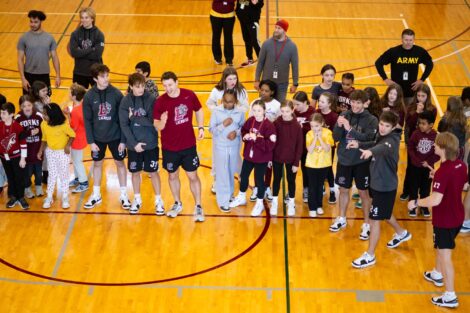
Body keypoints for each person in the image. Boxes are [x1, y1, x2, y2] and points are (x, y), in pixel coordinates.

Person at [408, 132, 466, 308]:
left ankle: (450, 295)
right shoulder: (460, 166)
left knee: (445, 254)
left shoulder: (444, 171)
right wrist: (438, 177)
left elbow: (435, 200)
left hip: (445, 220)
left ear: (443, 148)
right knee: (441, 249)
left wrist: (416, 202)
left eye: (436, 144)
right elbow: (463, 185)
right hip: (457, 216)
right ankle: (437, 274)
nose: (434, 146)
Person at [351, 111, 412, 269]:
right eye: (381, 124)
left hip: (385, 187)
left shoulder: (392, 141)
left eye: (386, 126)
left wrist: (370, 152)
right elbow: (374, 143)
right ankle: (401, 233)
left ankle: (370, 255)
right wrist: (360, 145)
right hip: (377, 184)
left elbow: (381, 148)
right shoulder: (381, 135)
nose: (383, 128)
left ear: (392, 128)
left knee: (374, 219)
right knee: (383, 213)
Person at [153, 71, 205, 222]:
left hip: (188, 145)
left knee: (192, 176)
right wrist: (162, 121)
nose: (167, 88)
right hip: (169, 148)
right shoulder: (160, 101)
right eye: (164, 86)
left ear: (177, 82)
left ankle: (199, 205)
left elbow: (199, 110)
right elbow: (157, 125)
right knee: (172, 175)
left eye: (170, 84)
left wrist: (201, 127)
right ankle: (177, 203)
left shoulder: (189, 95)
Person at [330, 90, 378, 239]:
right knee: (343, 189)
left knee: (364, 193)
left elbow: (370, 140)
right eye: (353, 102)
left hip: (362, 161)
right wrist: (339, 126)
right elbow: (336, 138)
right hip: (344, 159)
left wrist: (349, 129)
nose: (355, 105)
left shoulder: (371, 120)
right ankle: (342, 218)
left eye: (358, 102)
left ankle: (366, 225)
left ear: (365, 103)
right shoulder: (344, 115)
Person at [82, 64, 130, 210]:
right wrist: (90, 141)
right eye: (103, 76)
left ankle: (123, 195)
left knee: (120, 163)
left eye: (107, 75)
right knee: (97, 164)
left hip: (116, 137)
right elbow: (87, 120)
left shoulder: (116, 94)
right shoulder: (89, 96)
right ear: (95, 78)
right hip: (97, 138)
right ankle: (96, 194)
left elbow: (123, 119)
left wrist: (123, 140)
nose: (106, 79)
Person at [120, 73, 164, 215]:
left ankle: (158, 201)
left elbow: (152, 122)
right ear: (131, 86)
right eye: (137, 87)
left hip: (150, 144)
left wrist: (134, 117)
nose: (140, 89)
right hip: (134, 146)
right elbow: (124, 125)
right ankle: (137, 199)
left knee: (153, 172)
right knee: (135, 172)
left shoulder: (151, 99)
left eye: (142, 86)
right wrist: (133, 144)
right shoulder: (125, 101)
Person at [229, 100, 276, 216]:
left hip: (262, 158)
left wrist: (257, 139)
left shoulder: (269, 125)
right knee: (243, 176)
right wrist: (245, 136)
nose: (256, 112)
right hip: (249, 156)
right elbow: (244, 130)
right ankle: (241, 197)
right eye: (254, 110)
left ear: (264, 111)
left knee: (259, 180)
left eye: (259, 110)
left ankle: (260, 203)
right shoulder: (251, 120)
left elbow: (271, 144)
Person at [209, 90, 245, 212]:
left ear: (235, 101)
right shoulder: (216, 111)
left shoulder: (240, 112)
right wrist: (223, 125)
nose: (227, 104)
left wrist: (237, 133)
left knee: (230, 171)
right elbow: (211, 130)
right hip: (220, 147)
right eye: (225, 101)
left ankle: (229, 196)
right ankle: (223, 201)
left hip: (234, 146)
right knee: (222, 173)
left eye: (230, 102)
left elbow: (243, 127)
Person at [375, 28, 433, 104]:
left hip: (411, 92)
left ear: (414, 40)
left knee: (408, 114)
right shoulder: (394, 52)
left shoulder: (419, 51)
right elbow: (378, 63)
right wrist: (385, 79)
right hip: (395, 92)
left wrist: (422, 79)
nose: (408, 42)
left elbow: (430, 64)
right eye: (406, 40)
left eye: (410, 40)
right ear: (401, 39)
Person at [401, 84, 437, 201]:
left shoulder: (432, 109)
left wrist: (423, 112)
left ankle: (423, 194)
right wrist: (417, 112)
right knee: (410, 167)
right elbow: (409, 124)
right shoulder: (411, 107)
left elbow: (430, 125)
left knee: (423, 170)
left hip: (426, 142)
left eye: (423, 96)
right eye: (418, 95)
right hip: (413, 140)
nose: (420, 98)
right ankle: (407, 191)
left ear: (428, 96)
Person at [37, 103, 75, 209]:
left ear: (53, 115)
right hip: (50, 152)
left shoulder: (63, 126)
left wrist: (68, 146)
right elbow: (44, 138)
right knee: (52, 174)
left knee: (64, 175)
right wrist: (40, 151)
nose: (43, 116)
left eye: (45, 114)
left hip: (62, 153)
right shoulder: (44, 124)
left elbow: (72, 135)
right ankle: (49, 196)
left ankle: (65, 196)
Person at [249, 79, 280, 201]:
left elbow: (279, 123)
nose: (263, 93)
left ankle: (267, 186)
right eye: (261, 90)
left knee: (268, 164)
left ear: (272, 92)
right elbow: (250, 121)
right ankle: (257, 187)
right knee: (257, 164)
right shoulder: (254, 103)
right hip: (256, 139)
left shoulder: (277, 105)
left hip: (269, 141)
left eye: (266, 91)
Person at [270, 101, 303, 216]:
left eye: (287, 111)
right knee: (276, 179)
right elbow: (271, 142)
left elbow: (300, 145)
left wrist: (296, 162)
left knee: (291, 181)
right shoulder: (276, 123)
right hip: (277, 158)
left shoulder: (297, 126)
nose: (284, 114)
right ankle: (274, 202)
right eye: (282, 111)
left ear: (293, 110)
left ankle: (291, 202)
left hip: (291, 159)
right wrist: (270, 158)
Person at [17, 10, 60, 95]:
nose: (32, 24)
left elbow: (55, 57)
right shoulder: (23, 38)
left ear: (41, 22)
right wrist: (23, 78)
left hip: (44, 75)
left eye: (35, 22)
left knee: (45, 102)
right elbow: (20, 59)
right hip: (29, 75)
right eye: (31, 22)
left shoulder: (49, 38)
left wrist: (58, 75)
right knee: (29, 102)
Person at [255, 19, 298, 102]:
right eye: (275, 27)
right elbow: (260, 63)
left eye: (279, 28)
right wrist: (257, 80)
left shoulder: (292, 46)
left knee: (279, 109)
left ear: (285, 30)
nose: (276, 30)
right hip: (266, 83)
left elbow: (295, 66)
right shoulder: (267, 43)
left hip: (282, 84)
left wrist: (295, 83)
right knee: (263, 106)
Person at [406, 111, 439, 217]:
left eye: (423, 123)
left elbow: (438, 153)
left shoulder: (436, 136)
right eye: (419, 123)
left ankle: (424, 206)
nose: (420, 125)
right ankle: (412, 205)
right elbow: (410, 147)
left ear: (431, 125)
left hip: (428, 168)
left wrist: (429, 162)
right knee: (413, 187)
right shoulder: (416, 133)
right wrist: (415, 159)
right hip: (415, 167)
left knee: (426, 188)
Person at [0, 102, 28, 209]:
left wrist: (23, 158)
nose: (1, 115)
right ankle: (13, 197)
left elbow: (23, 143)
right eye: (1, 113)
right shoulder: (0, 125)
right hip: (4, 158)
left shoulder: (18, 127)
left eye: (4, 113)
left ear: (11, 114)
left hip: (16, 158)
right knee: (10, 177)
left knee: (18, 177)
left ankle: (21, 197)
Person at [305, 113, 334, 217]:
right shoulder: (309, 134)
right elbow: (310, 150)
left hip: (324, 164)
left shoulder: (328, 133)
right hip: (311, 164)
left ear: (322, 123)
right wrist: (315, 138)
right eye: (312, 126)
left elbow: (327, 148)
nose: (314, 128)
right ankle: (312, 207)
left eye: (316, 126)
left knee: (320, 185)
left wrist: (320, 138)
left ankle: (319, 206)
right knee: (312, 186)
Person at [69, 7, 105, 89]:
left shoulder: (99, 34)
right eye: (82, 17)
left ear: (92, 19)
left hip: (96, 73)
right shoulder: (75, 34)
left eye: (86, 17)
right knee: (78, 99)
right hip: (79, 72)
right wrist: (91, 49)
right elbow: (74, 53)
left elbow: (97, 55)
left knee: (98, 99)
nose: (83, 20)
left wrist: (80, 52)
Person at [15, 95, 43, 198]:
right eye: (24, 106)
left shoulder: (39, 116)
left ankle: (38, 186)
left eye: (29, 105)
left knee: (38, 172)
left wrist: (38, 131)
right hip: (25, 152)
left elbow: (45, 130)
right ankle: (27, 188)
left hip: (37, 150)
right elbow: (17, 135)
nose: (27, 107)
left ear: (33, 105)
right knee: (27, 173)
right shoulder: (17, 118)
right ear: (20, 107)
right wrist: (29, 133)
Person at [65, 83, 89, 193]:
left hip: (77, 139)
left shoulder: (75, 111)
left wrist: (68, 115)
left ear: (74, 96)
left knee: (77, 161)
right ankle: (77, 178)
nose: (68, 94)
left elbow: (72, 127)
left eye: (70, 92)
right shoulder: (82, 105)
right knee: (75, 160)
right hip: (83, 136)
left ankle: (84, 182)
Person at [316, 92, 339, 204]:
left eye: (322, 102)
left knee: (328, 169)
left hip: (328, 148)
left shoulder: (334, 117)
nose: (319, 103)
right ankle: (320, 188)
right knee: (318, 168)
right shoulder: (316, 113)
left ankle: (332, 190)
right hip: (316, 148)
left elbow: (336, 136)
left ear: (329, 104)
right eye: (319, 101)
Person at [293, 91, 315, 203]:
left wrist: (302, 128)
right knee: (292, 170)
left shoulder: (312, 113)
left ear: (305, 102)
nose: (295, 107)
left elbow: (315, 130)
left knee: (306, 170)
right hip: (296, 148)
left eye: (298, 104)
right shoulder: (294, 112)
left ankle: (306, 189)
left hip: (308, 148)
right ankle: (291, 191)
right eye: (294, 104)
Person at [236, 0, 264, 67]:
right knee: (246, 39)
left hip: (252, 21)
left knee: (255, 41)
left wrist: (256, 2)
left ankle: (262, 60)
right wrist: (238, 12)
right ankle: (250, 59)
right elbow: (239, 3)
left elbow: (260, 4)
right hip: (243, 20)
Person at [210, 0, 236, 66]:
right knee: (216, 37)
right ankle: (217, 58)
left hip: (229, 16)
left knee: (228, 37)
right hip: (215, 15)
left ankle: (229, 59)